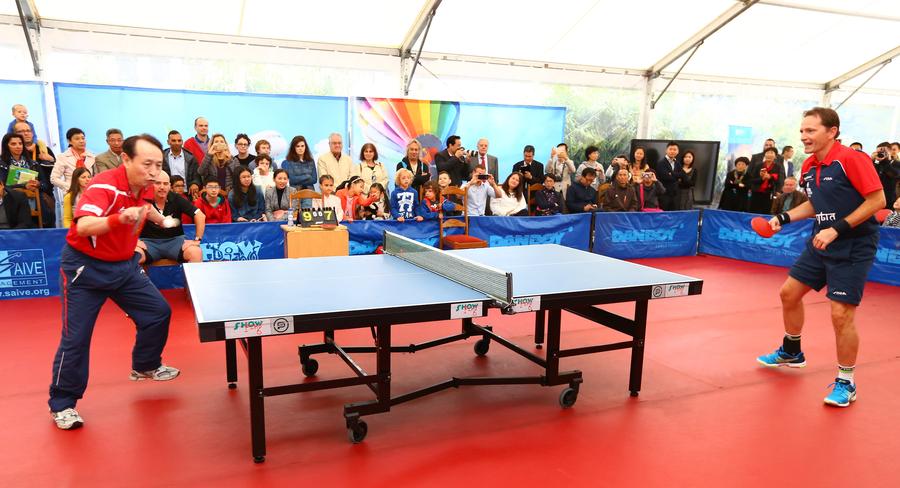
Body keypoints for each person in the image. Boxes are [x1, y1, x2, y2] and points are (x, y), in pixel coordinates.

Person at [48, 134, 180, 431]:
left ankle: (145, 365)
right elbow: (84, 226)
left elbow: (144, 207)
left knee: (158, 312)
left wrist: (161, 220)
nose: (154, 171)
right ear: (126, 159)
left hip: (124, 266)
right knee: (76, 338)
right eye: (147, 164)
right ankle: (62, 403)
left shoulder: (145, 186)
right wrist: (118, 219)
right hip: (85, 270)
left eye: (158, 165)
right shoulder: (103, 185)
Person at [756, 107, 885, 408]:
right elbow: (817, 204)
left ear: (832, 131)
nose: (804, 136)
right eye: (802, 130)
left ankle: (847, 382)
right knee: (789, 293)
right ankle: (792, 351)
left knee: (841, 314)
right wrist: (784, 217)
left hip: (853, 244)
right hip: (821, 241)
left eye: (811, 130)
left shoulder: (852, 159)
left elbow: (877, 200)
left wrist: (837, 229)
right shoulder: (809, 165)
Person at [136, 171, 204, 265]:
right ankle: (142, 276)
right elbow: (126, 220)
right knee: (135, 255)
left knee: (196, 252)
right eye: (158, 183)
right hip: (149, 242)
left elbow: (200, 215)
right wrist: (134, 241)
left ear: (170, 186)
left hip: (175, 242)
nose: (162, 187)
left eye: (165, 184)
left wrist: (197, 240)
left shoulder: (177, 198)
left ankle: (191, 276)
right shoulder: (142, 199)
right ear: (150, 185)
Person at [11, 121, 56, 226]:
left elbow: (55, 174)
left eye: (28, 130)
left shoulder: (44, 150)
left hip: (44, 196)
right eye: (21, 131)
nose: (26, 133)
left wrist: (52, 161)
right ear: (14, 134)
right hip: (16, 199)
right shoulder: (10, 155)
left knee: (46, 229)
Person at [51, 128, 96, 193]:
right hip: (72, 193)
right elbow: (54, 178)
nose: (81, 141)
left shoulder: (92, 157)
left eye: (83, 138)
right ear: (69, 141)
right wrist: (70, 187)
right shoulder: (63, 157)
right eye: (77, 139)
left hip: (89, 192)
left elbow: (96, 176)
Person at [162, 130, 201, 200]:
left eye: (179, 140)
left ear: (182, 142)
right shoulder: (162, 157)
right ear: (168, 142)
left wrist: (195, 184)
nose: (177, 143)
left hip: (187, 194)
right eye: (173, 141)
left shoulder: (191, 158)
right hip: (167, 194)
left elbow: (197, 176)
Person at [747, 147, 784, 214]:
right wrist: (762, 179)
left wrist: (770, 177)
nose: (769, 154)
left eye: (771, 153)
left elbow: (780, 180)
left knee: (766, 211)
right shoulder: (758, 165)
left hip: (769, 193)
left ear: (775, 156)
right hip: (756, 192)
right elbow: (751, 180)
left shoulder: (778, 167)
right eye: (767, 153)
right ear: (764, 155)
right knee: (753, 211)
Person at [873, 142, 899, 209]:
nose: (881, 154)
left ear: (889, 151)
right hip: (875, 199)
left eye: (883, 152)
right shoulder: (877, 163)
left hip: (889, 201)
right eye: (879, 152)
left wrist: (886, 161)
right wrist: (874, 160)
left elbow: (894, 175)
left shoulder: (897, 163)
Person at [654, 141, 679, 211]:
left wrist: (672, 174)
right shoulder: (661, 163)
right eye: (670, 149)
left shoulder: (677, 163)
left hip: (675, 195)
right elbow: (665, 177)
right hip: (664, 194)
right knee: (663, 215)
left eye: (674, 149)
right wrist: (676, 176)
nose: (672, 151)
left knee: (673, 215)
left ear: (678, 151)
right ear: (666, 150)